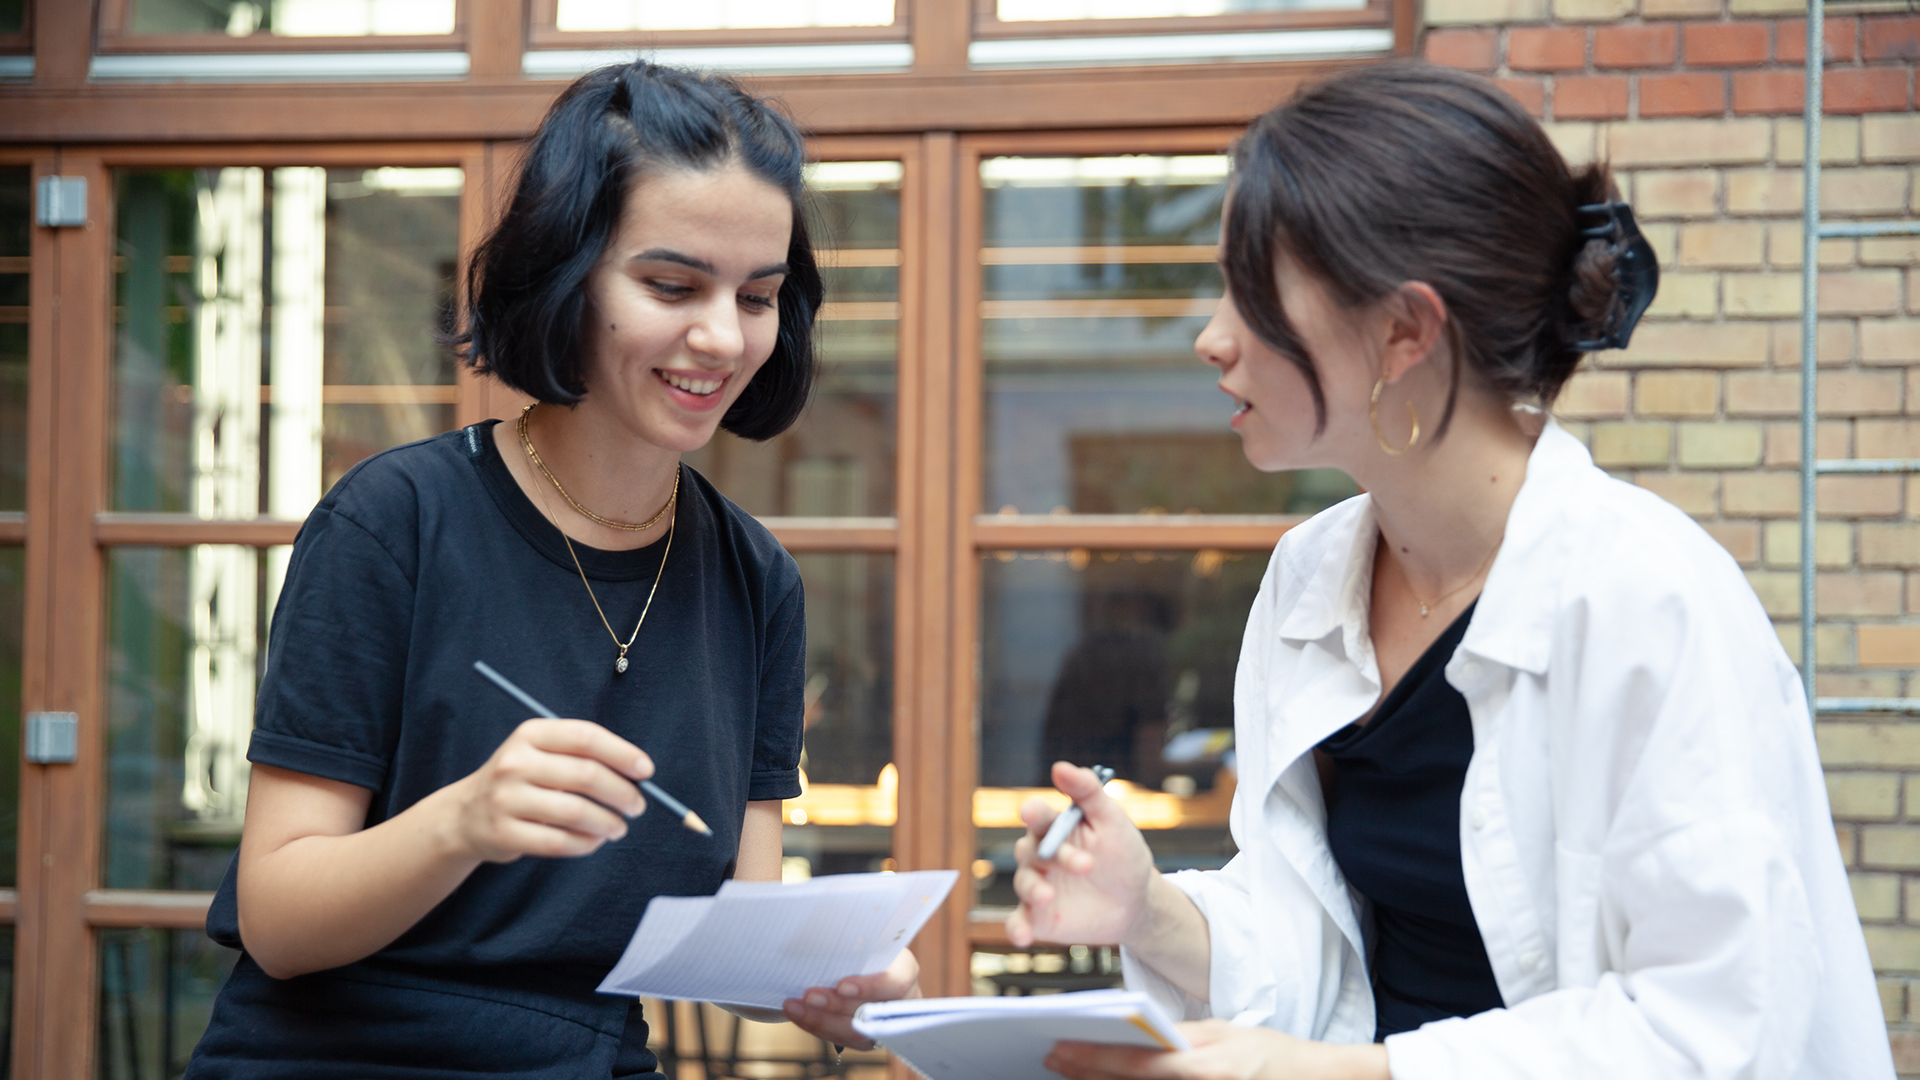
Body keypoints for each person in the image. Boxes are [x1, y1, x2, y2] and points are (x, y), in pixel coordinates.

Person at [1006, 63, 1893, 1080]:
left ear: (1405, 332)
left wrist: (1325, 1073)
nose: (1212, 339)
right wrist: (1147, 908)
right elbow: (1316, 944)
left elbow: (1713, 1026)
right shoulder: (1307, 579)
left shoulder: (1650, 597)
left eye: (1250, 295)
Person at [186, 62, 910, 1079]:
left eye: (757, 297)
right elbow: (279, 919)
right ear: (567, 275)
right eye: (671, 285)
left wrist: (838, 984)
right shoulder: (393, 524)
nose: (721, 335)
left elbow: (739, 936)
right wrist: (462, 822)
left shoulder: (754, 579)